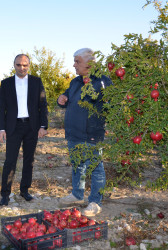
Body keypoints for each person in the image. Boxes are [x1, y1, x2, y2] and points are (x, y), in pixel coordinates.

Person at [57, 48, 113, 216]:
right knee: (77, 165)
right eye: (74, 61)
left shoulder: (102, 81)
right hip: (73, 132)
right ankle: (77, 194)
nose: (74, 65)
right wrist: (61, 99)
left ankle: (95, 201)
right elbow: (65, 98)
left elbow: (111, 104)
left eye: (77, 61)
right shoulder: (75, 82)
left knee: (95, 167)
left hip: (92, 133)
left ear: (89, 63)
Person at [0, 54, 48, 206]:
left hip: (31, 126)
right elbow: (1, 108)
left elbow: (43, 104)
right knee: (10, 161)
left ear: (29, 66)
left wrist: (43, 125)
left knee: (29, 160)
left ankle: (25, 190)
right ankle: (5, 194)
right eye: (19, 65)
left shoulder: (36, 82)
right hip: (13, 127)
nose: (22, 68)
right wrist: (1, 129)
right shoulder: (6, 83)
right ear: (14, 65)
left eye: (25, 65)